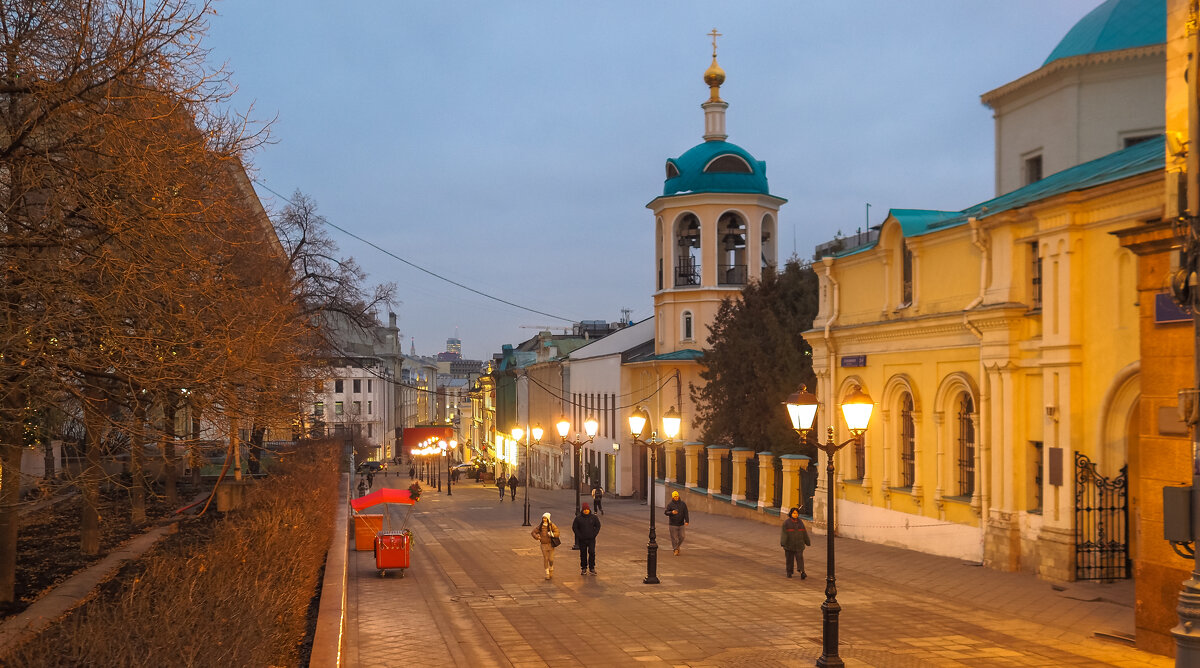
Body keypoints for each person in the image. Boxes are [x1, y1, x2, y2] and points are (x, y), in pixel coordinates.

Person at [780, 506, 811, 579]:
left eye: (797, 513)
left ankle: (802, 572)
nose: (795, 515)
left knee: (800, 558)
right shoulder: (786, 523)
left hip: (799, 544)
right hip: (789, 545)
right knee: (789, 559)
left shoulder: (800, 522)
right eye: (794, 513)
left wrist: (807, 541)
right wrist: (783, 542)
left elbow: (804, 532)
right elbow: (784, 534)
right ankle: (789, 572)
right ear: (791, 514)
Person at [572, 502, 601, 575]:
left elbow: (598, 526)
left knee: (592, 552)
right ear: (582, 510)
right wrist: (579, 535)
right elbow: (574, 527)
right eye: (584, 509)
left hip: (591, 539)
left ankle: (592, 568)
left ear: (589, 510)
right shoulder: (578, 518)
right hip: (582, 539)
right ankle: (584, 568)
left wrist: (594, 534)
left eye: (587, 509)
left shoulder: (593, 517)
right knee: (583, 554)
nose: (586, 511)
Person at [531, 512, 560, 580]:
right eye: (543, 518)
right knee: (546, 558)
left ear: (548, 519)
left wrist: (552, 534)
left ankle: (551, 567)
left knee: (551, 559)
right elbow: (533, 532)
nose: (544, 519)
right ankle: (547, 573)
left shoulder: (551, 525)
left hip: (551, 544)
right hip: (543, 545)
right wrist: (537, 537)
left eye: (545, 518)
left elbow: (557, 533)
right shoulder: (540, 526)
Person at [664, 490, 689, 555]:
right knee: (674, 538)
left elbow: (686, 512)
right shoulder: (670, 504)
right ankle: (675, 549)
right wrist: (671, 512)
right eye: (675, 497)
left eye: (677, 496)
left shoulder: (683, 504)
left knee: (682, 536)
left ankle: (677, 547)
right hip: (673, 524)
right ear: (672, 497)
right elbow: (666, 512)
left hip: (681, 523)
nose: (676, 498)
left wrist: (687, 521)